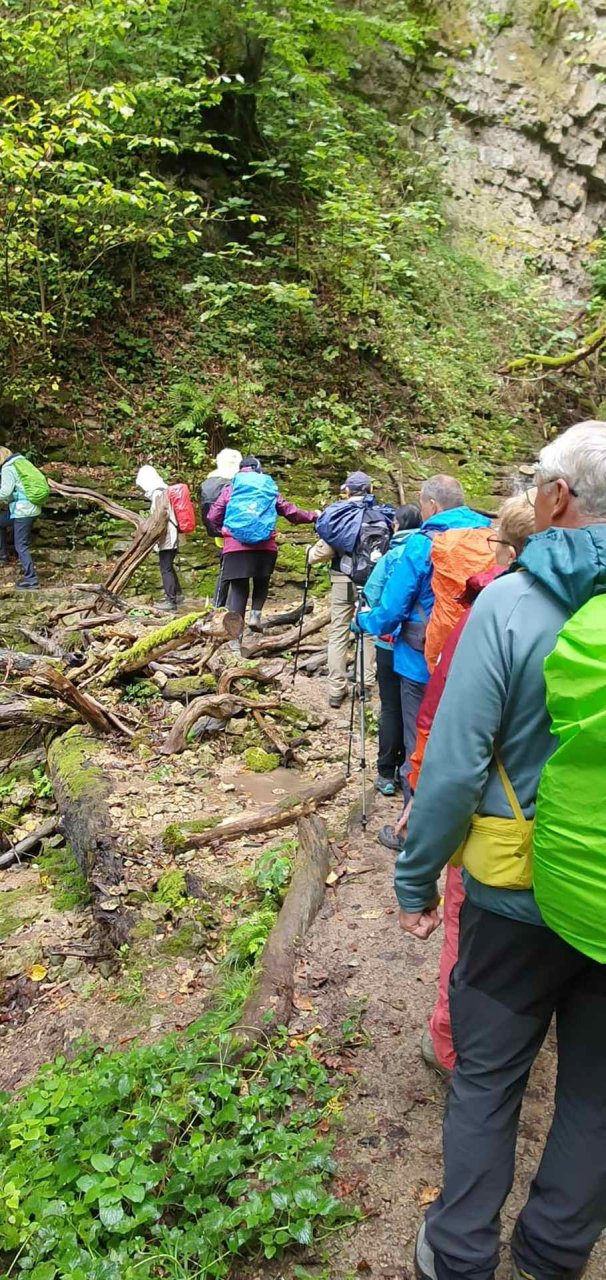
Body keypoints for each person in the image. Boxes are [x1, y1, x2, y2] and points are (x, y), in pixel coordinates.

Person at [396, 423, 606, 1280]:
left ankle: (458, 1254)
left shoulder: (510, 605)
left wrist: (415, 880)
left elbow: (453, 769)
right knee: (596, 1093)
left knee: (487, 1078)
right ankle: (552, 1254)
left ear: (557, 497)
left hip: (515, 897)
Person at [411, 494, 536, 1080]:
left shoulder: (490, 606)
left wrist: (418, 794)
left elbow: (445, 727)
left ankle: (450, 1044)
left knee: (464, 928)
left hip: (497, 826)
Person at [356, 475, 490, 814]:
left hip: (421, 661)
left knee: (420, 739)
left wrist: (363, 622)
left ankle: (413, 826)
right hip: (478, 657)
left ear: (431, 505)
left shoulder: (422, 543)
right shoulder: (490, 536)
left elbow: (391, 611)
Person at [309, 471, 390, 709]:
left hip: (343, 581)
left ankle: (336, 690)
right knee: (368, 631)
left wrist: (309, 554)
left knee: (338, 632)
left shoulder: (339, 517)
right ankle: (364, 686)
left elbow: (321, 553)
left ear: (347, 491)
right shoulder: (381, 515)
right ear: (370, 489)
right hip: (372, 583)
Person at [207, 456, 316, 632]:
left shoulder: (231, 488)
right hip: (265, 546)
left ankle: (235, 637)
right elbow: (291, 512)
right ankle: (255, 616)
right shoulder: (268, 487)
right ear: (258, 469)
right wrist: (314, 515)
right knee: (261, 581)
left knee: (239, 590)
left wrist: (223, 530)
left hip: (235, 547)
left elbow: (213, 516)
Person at [362, 503, 422, 795]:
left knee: (390, 708)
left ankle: (386, 772)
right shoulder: (433, 553)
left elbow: (372, 596)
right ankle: (410, 770)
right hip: (420, 645)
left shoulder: (391, 557)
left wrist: (364, 621)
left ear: (397, 525)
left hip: (388, 642)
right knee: (416, 711)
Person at [135, 465, 182, 611]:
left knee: (165, 568)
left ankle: (171, 601)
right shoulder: (164, 490)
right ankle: (178, 595)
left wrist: (151, 535)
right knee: (168, 566)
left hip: (167, 536)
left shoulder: (158, 492)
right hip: (172, 534)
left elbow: (159, 518)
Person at [200, 448, 242, 607]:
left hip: (217, 530)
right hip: (233, 531)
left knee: (226, 565)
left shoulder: (209, 481)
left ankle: (222, 604)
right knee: (229, 569)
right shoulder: (234, 482)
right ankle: (220, 605)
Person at [0, 445, 41, 590]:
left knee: (21, 545)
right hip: (30, 508)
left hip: (22, 510)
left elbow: (5, 492)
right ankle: (2, 556)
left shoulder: (8, 468)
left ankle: (31, 579)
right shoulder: (22, 462)